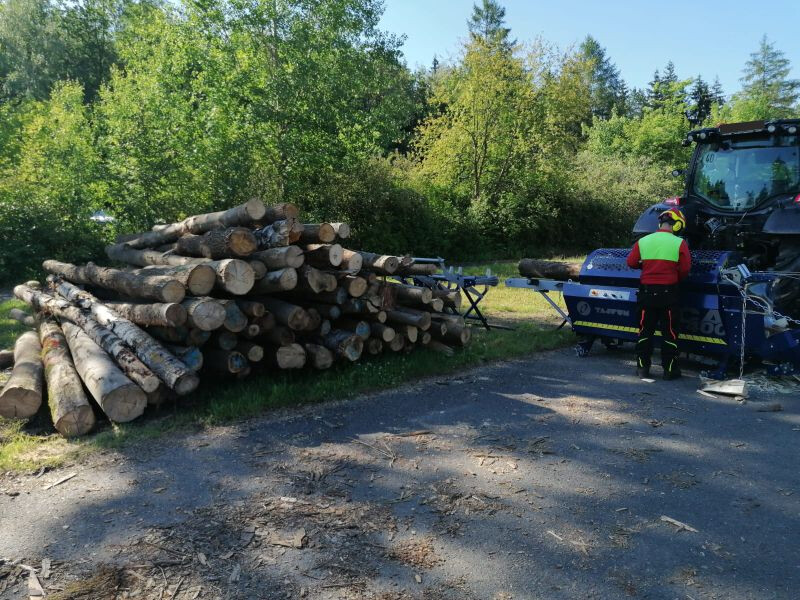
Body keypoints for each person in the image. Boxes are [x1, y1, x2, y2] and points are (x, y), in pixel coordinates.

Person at [626, 208, 692, 380]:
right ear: (677, 225)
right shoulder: (679, 243)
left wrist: (646, 266)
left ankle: (642, 368)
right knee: (670, 333)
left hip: (646, 294)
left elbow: (631, 262)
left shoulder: (643, 241)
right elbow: (685, 269)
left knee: (644, 331)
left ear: (660, 224)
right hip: (669, 295)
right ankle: (669, 370)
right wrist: (673, 275)